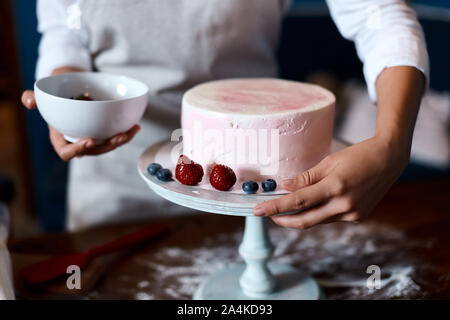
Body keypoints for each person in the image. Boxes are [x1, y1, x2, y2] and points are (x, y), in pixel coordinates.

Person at [22, 0, 428, 231]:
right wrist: (69, 101)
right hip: (115, 183)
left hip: (258, 179)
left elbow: (379, 15)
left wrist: (392, 143)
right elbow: (67, 29)